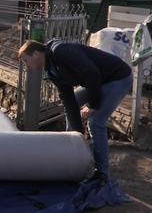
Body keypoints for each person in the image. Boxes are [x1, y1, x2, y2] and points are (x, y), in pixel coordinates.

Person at [18, 40, 132, 180]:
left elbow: (91, 73)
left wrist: (92, 105)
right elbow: (68, 99)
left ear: (35, 54)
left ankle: (101, 172)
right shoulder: (51, 70)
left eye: (26, 61)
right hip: (98, 79)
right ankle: (73, 150)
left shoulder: (61, 51)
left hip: (117, 77)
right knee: (74, 102)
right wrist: (78, 133)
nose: (27, 66)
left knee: (95, 121)